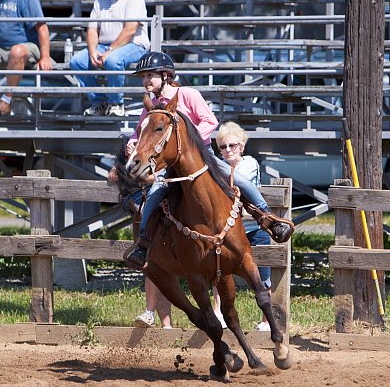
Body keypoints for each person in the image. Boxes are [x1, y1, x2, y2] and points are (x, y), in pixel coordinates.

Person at [123, 51, 295, 272]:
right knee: (155, 192)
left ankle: (269, 219)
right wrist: (132, 143)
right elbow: (141, 132)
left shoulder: (188, 95)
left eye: (150, 76)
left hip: (202, 157)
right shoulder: (153, 105)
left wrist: (189, 143)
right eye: (143, 77)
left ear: (165, 75)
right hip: (170, 164)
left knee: (240, 180)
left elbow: (210, 121)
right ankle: (143, 244)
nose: (146, 81)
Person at [212, 122, 272, 331]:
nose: (228, 150)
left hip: (252, 227)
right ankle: (218, 312)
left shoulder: (250, 163)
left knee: (261, 274)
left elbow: (238, 183)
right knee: (218, 272)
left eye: (232, 145)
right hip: (227, 231)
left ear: (242, 146)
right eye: (223, 147)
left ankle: (266, 320)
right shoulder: (217, 167)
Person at [108, 135, 173, 328]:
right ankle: (161, 320)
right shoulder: (133, 157)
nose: (133, 145)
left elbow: (156, 176)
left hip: (160, 202)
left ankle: (163, 321)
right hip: (143, 202)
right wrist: (129, 159)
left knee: (158, 267)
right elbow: (113, 175)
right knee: (154, 266)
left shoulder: (158, 153)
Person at [69, 0, 149, 117]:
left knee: (112, 60)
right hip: (104, 46)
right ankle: (99, 103)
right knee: (77, 61)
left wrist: (110, 50)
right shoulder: (100, 0)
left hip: (134, 45)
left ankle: (116, 103)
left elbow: (130, 30)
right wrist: (93, 51)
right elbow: (92, 29)